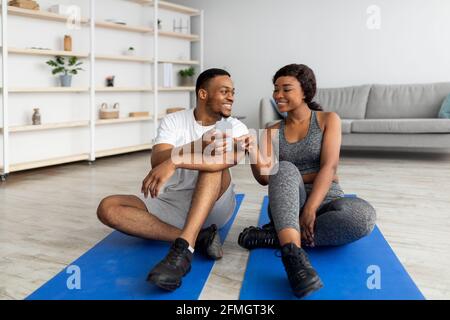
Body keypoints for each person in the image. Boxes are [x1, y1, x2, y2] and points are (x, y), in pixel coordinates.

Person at [97, 68, 250, 291]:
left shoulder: (232, 126)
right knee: (108, 207)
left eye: (233, 92)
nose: (231, 97)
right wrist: (198, 145)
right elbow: (157, 159)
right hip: (175, 202)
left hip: (215, 204)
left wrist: (175, 161)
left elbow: (220, 163)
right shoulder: (173, 121)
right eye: (224, 91)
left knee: (213, 162)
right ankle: (200, 237)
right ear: (203, 94)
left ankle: (184, 249)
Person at [239, 64, 376, 298]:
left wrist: (311, 208)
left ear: (305, 91)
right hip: (287, 205)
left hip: (326, 201)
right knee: (284, 169)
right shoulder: (271, 130)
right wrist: (253, 150)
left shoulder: (327, 119)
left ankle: (277, 236)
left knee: (363, 218)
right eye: (275, 89)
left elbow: (329, 167)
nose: (278, 95)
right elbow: (265, 177)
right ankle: (293, 258)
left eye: (286, 89)